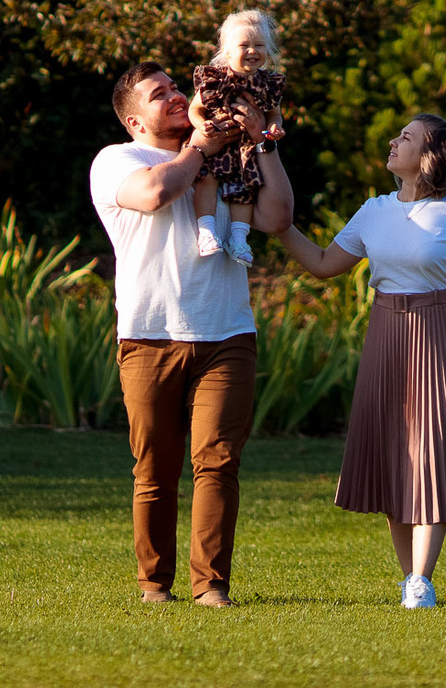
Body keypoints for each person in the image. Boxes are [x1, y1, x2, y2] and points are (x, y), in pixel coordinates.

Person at [276, 114, 446, 610]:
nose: (392, 141)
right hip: (386, 334)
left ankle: (423, 580)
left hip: (443, 332)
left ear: (430, 154)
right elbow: (323, 264)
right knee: (394, 456)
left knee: (435, 450)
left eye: (405, 137)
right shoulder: (373, 211)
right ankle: (411, 579)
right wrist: (280, 228)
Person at [91, 59, 295, 605]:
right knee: (155, 467)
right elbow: (156, 193)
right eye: (161, 94)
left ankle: (212, 587)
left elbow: (277, 219)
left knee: (219, 461)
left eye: (177, 86)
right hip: (149, 336)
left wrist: (262, 142)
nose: (177, 96)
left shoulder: (228, 153)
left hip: (227, 332)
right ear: (135, 121)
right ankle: (155, 585)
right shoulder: (118, 160)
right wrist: (199, 149)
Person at [189, 9, 289, 263]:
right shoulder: (216, 80)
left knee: (244, 190)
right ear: (228, 51)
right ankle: (206, 232)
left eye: (259, 45)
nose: (252, 51)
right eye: (244, 45)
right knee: (207, 179)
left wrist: (273, 129)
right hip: (216, 144)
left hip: (246, 150)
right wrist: (202, 126)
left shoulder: (267, 84)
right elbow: (195, 109)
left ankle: (239, 239)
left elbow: (274, 115)